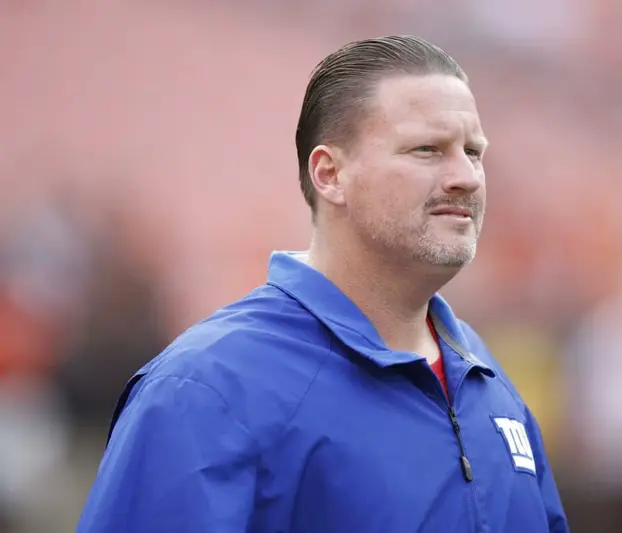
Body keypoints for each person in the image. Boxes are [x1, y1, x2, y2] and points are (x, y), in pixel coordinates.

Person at [77, 35, 570, 533]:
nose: (467, 177)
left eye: (473, 152)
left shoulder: (487, 380)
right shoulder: (208, 388)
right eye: (427, 150)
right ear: (330, 174)